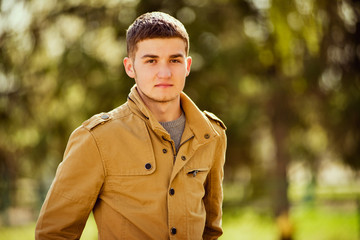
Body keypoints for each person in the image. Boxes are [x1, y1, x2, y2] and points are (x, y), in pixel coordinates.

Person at [35, 11, 227, 240]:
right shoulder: (96, 139)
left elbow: (211, 230)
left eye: (174, 60)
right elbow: (54, 233)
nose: (164, 73)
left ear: (187, 66)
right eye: (151, 61)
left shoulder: (212, 134)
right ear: (130, 67)